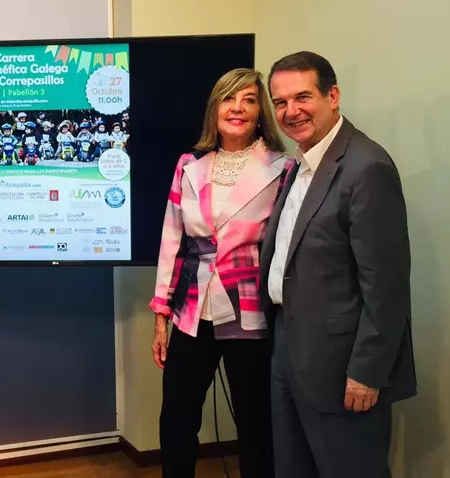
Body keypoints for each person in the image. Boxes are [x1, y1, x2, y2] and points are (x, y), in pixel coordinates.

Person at [260, 51, 416, 478]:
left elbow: (386, 287)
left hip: (341, 365)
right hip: (288, 347)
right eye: (280, 102)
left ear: (332, 96)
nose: (291, 111)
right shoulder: (301, 163)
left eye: (302, 97)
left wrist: (367, 372)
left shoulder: (367, 166)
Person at [150, 68, 287, 478]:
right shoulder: (189, 165)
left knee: (255, 426)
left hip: (251, 313)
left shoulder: (283, 168)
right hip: (192, 312)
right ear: (215, 109)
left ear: (260, 112)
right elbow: (172, 240)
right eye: (229, 98)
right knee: (176, 419)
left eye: (249, 100)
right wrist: (161, 313)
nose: (238, 108)